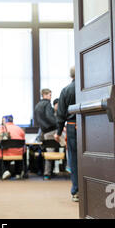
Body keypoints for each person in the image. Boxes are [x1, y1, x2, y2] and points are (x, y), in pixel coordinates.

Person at [55, 66, 78, 202]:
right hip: (91, 127)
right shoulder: (87, 88)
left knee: (74, 160)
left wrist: (58, 133)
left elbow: (61, 115)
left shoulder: (66, 90)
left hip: (72, 126)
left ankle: (76, 191)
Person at [34, 88, 58, 180]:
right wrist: (58, 123)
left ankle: (48, 173)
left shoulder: (37, 106)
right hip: (52, 131)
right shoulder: (47, 104)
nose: (50, 97)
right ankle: (48, 173)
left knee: (48, 153)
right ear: (44, 94)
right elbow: (49, 117)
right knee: (67, 147)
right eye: (50, 95)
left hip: (43, 132)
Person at [0, 115, 25, 180]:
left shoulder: (2, 128)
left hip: (5, 153)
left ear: (5, 121)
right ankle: (18, 173)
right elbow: (23, 141)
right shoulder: (19, 128)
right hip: (18, 153)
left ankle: (3, 172)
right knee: (22, 151)